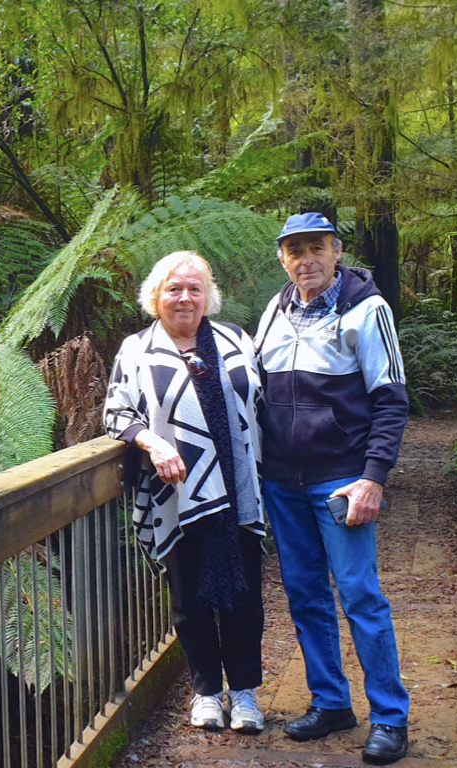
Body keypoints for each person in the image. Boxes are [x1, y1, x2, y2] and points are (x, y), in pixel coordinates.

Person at [254, 213, 409, 764]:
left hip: (342, 478)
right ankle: (330, 702)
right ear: (282, 258)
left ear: (337, 250)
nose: (306, 260)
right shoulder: (274, 312)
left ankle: (390, 716)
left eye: (316, 248)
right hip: (283, 481)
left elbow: (391, 400)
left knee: (360, 594)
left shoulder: (367, 309)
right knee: (305, 595)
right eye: (295, 251)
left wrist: (373, 477)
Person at [104, 251, 266, 733]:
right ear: (156, 295)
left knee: (245, 596)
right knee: (190, 599)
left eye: (195, 289)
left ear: (208, 297)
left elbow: (264, 404)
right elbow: (116, 412)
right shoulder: (136, 349)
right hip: (177, 492)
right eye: (174, 288)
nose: (185, 297)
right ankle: (207, 694)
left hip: (239, 490)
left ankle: (246, 694)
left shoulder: (237, 340)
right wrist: (151, 442)